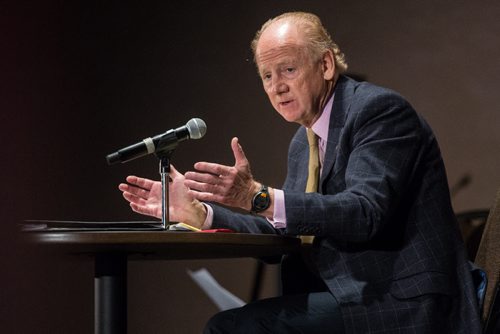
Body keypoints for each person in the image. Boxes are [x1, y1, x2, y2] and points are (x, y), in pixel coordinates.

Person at [119, 11, 482, 334]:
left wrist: (257, 197)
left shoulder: (378, 112)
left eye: (288, 70)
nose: (277, 87)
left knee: (231, 327)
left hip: (401, 302)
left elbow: (364, 212)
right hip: (346, 294)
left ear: (325, 66)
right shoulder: (303, 141)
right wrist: (200, 213)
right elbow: (288, 229)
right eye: (266, 75)